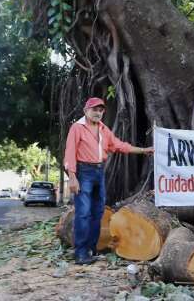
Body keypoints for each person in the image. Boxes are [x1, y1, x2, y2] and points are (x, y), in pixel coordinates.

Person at [64, 97, 153, 264]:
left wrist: (143, 150)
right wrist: (72, 177)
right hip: (83, 172)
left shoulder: (104, 129)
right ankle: (80, 253)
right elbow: (70, 152)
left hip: (99, 172)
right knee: (83, 213)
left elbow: (120, 145)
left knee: (97, 212)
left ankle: (91, 249)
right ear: (86, 110)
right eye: (94, 109)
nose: (98, 112)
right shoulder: (77, 128)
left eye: (100, 110)